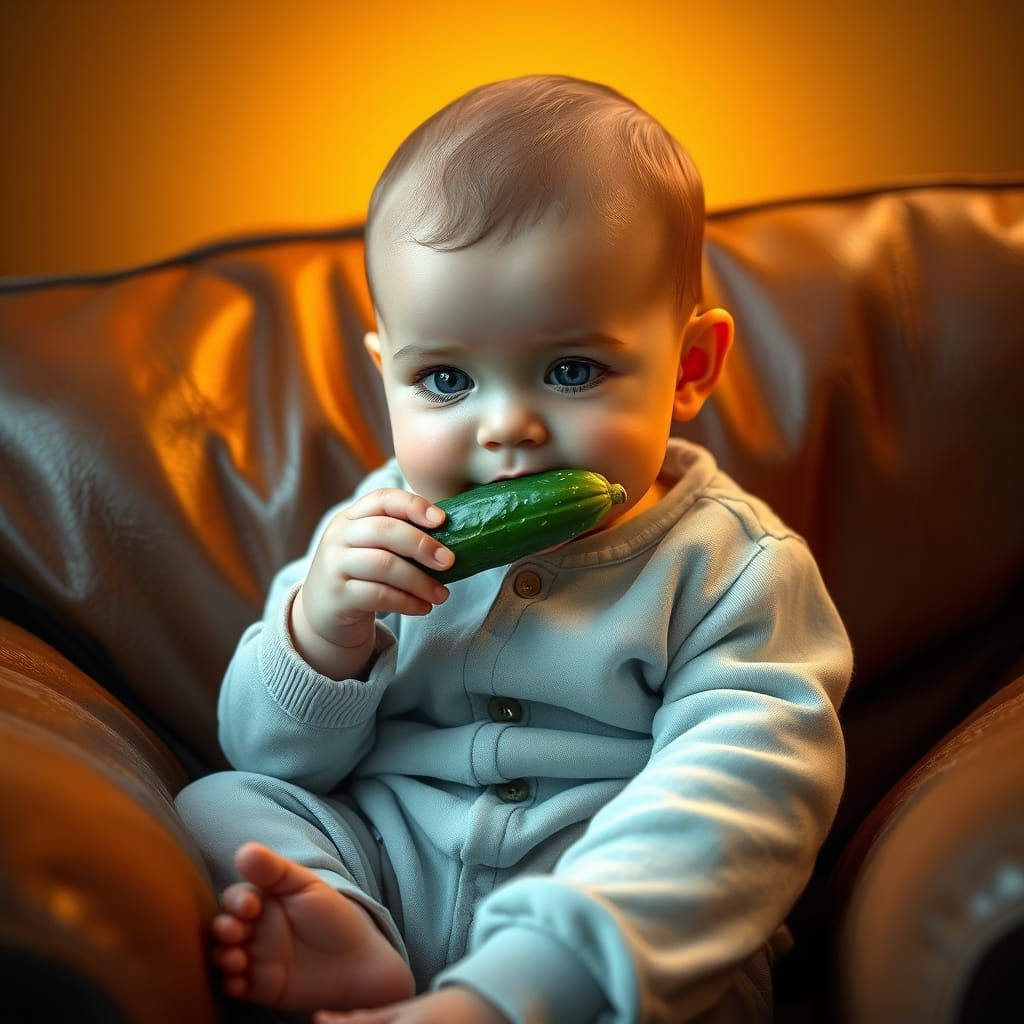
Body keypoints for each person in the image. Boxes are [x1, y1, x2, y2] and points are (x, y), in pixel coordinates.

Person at [175, 73, 853, 1024]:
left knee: (713, 872)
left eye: (572, 370)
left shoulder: (736, 568)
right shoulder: (380, 528)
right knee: (225, 800)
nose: (506, 428)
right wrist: (321, 631)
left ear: (690, 367)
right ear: (387, 376)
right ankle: (351, 939)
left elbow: (741, 796)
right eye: (444, 378)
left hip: (604, 935)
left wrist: (525, 989)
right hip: (393, 870)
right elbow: (271, 754)